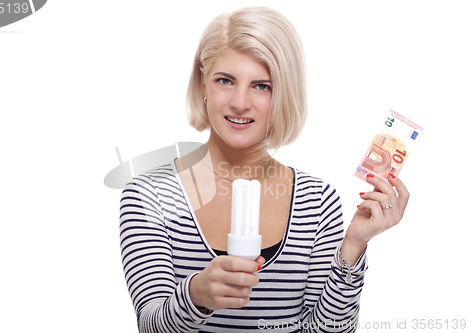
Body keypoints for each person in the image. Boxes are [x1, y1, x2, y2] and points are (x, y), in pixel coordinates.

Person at [119, 6, 409, 332]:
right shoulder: (150, 195)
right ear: (203, 83)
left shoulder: (316, 200)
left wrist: (353, 247)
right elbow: (151, 326)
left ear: (283, 93)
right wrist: (197, 293)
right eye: (225, 80)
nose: (240, 103)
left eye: (261, 86)